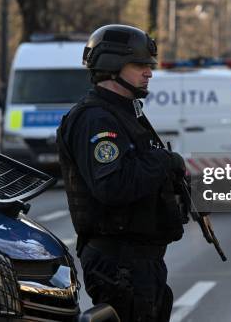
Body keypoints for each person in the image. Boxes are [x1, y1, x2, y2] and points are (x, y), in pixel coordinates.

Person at [56, 24, 187, 322]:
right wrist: (164, 161)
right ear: (112, 65)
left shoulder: (125, 113)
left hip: (139, 261)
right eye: (140, 65)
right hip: (119, 263)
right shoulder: (96, 119)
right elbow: (113, 186)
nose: (149, 72)